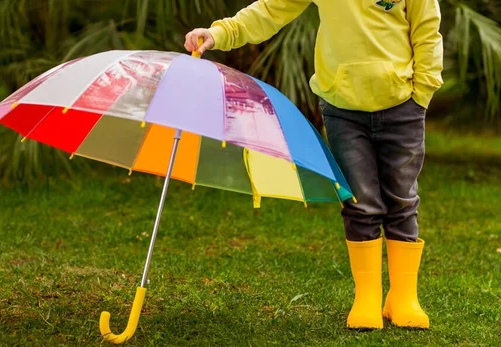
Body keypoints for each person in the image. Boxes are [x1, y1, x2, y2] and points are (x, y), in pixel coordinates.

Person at [184, 0, 443, 329]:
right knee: (359, 203)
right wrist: (221, 32)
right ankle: (367, 297)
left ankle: (403, 297)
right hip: (343, 110)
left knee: (402, 201)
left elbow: (427, 34)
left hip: (403, 106)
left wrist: (422, 94)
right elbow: (270, 10)